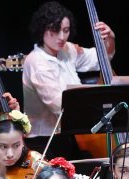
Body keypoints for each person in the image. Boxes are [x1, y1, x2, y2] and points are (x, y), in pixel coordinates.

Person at [21, 1, 115, 138]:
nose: (62, 37)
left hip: (70, 133)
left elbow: (99, 59)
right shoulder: (37, 62)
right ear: (42, 29)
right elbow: (60, 106)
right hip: (45, 139)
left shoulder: (67, 49)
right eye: (55, 30)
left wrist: (110, 39)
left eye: (65, 30)